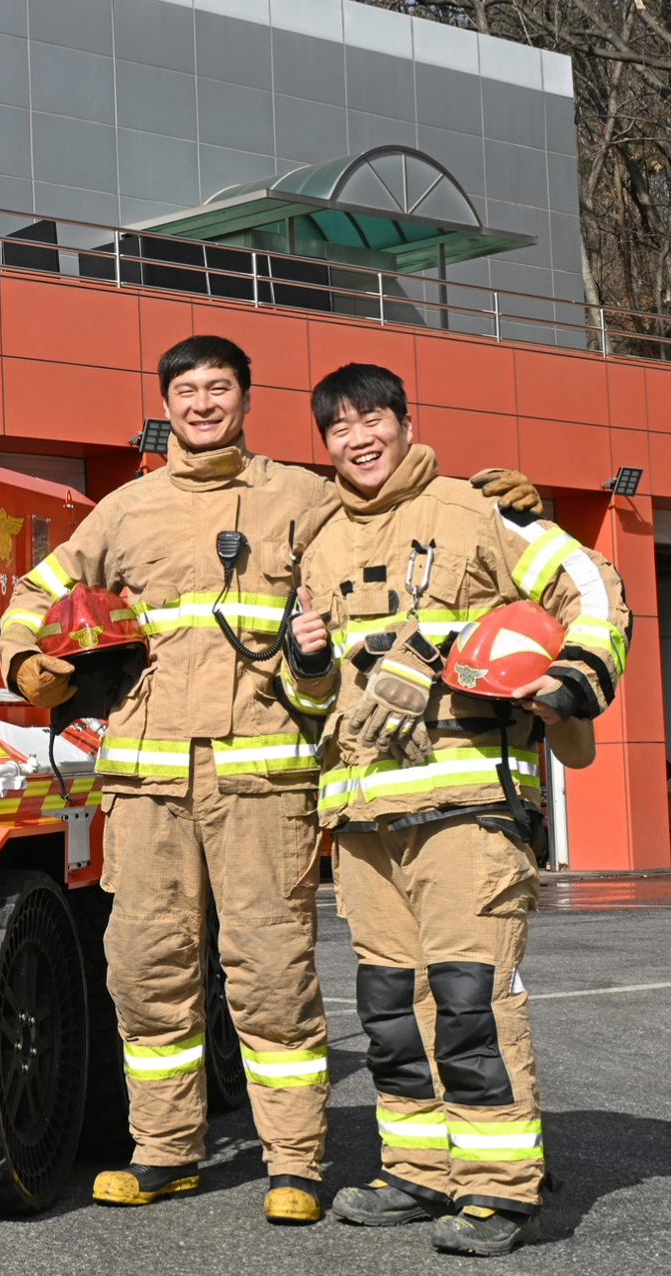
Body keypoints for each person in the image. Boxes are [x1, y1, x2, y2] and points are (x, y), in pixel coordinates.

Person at [0, 336, 542, 1226]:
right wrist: (26, 661)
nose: (202, 403)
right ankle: (165, 1150)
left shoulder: (305, 496)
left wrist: (506, 506)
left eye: (219, 387)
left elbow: (393, 510)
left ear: (247, 400)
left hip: (266, 781)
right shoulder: (124, 510)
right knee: (146, 972)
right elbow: (35, 592)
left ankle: (294, 1160)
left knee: (272, 976)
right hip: (146, 785)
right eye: (186, 390)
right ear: (165, 405)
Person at [285, 364, 627, 1256]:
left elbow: (590, 585)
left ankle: (499, 1190)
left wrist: (575, 677)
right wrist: (307, 661)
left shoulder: (479, 510)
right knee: (391, 1009)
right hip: (364, 820)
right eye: (339, 429)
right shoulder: (319, 542)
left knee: (470, 1003)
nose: (358, 439)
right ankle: (418, 1171)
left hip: (468, 808)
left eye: (372, 419)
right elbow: (315, 697)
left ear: (405, 422)